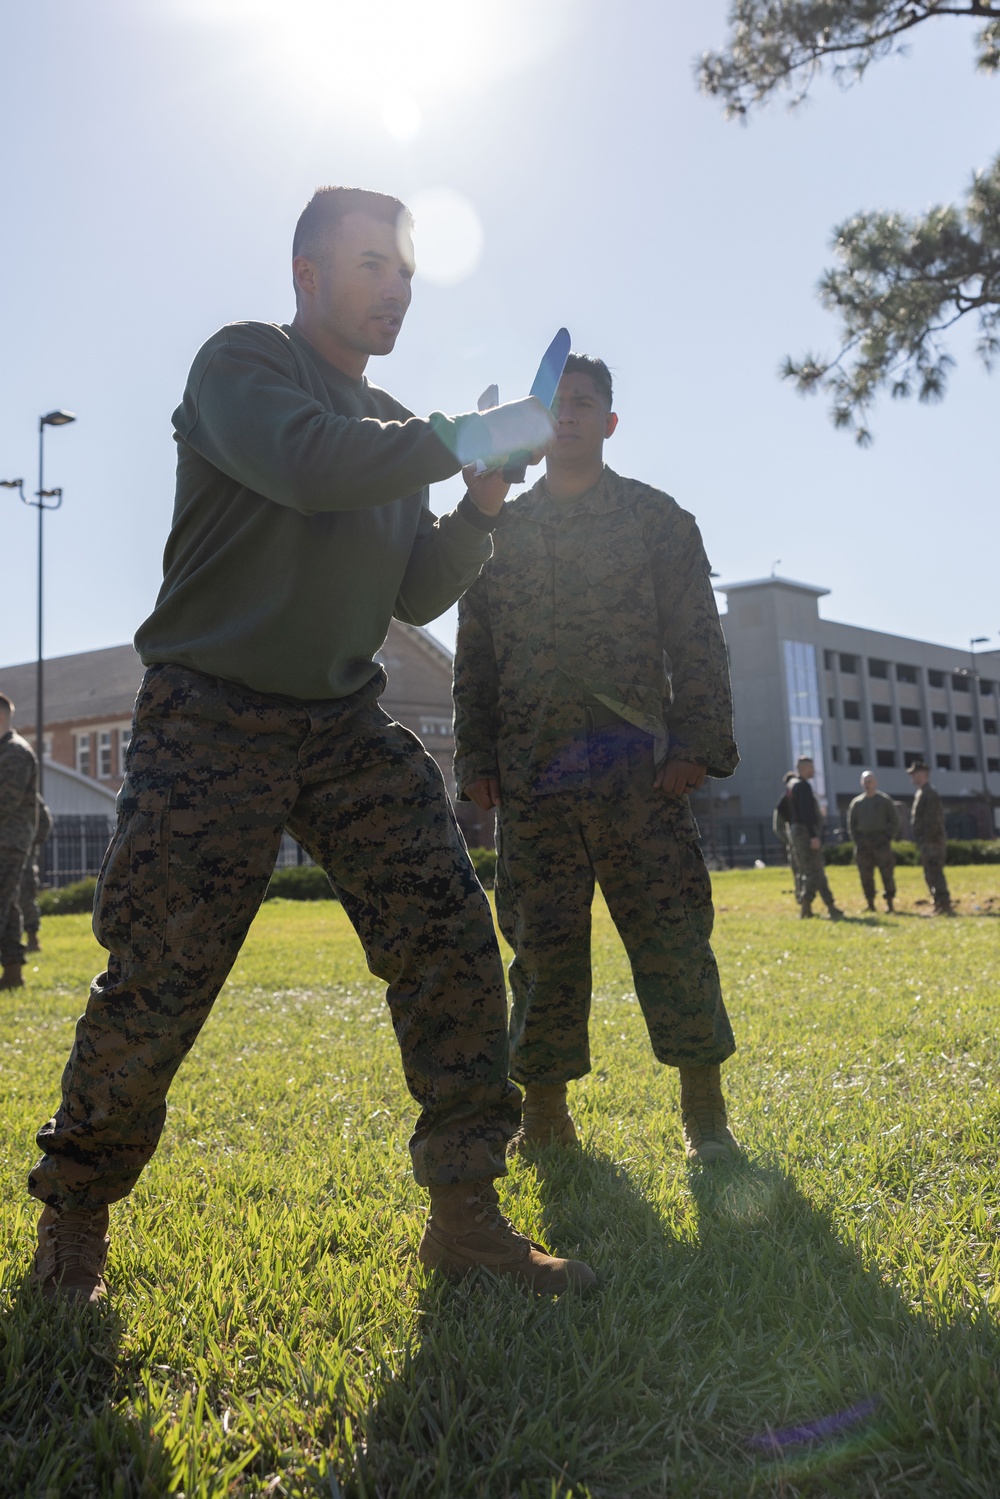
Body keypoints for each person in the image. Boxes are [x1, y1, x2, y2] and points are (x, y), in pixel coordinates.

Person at [28, 185, 595, 1303]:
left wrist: (477, 505)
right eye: (372, 263)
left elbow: (412, 586)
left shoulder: (391, 430)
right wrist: (461, 440)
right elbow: (306, 464)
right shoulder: (241, 366)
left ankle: (465, 1215)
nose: (396, 288)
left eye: (408, 272)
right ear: (306, 275)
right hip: (209, 712)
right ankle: (75, 1227)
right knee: (160, 974)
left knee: (445, 932)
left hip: (340, 720)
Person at [452, 354, 741, 1167]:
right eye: (556, 404)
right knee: (541, 951)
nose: (569, 414)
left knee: (674, 937)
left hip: (637, 773)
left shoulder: (658, 521)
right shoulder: (498, 529)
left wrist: (695, 745)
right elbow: (473, 654)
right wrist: (475, 753)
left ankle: (705, 1115)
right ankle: (544, 1117)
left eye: (585, 403)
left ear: (610, 422)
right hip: (535, 774)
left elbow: (698, 642)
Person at [0, 695, 39, 990]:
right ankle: (13, 973)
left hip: (8, 842)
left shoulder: (14, 753)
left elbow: (5, 802)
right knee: (7, 905)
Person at [786, 756, 844, 920]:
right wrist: (813, 835)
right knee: (813, 871)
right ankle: (806, 904)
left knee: (816, 869)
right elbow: (807, 813)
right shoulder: (803, 786)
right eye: (811, 767)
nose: (813, 771)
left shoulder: (791, 786)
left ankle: (830, 905)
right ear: (803, 768)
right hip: (805, 832)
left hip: (796, 831)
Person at [847, 771, 900, 912]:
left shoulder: (884, 801)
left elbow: (895, 821)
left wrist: (888, 837)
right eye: (865, 781)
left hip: (881, 841)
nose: (867, 784)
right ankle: (870, 903)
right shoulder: (857, 803)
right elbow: (851, 824)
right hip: (863, 843)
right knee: (865, 875)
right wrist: (857, 840)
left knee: (887, 873)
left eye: (870, 781)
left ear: (875, 782)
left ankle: (890, 903)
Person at [906, 758, 953, 915]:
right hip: (927, 841)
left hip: (932, 842)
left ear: (924, 774)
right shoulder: (923, 792)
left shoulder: (929, 793)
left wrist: (927, 839)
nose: (912, 777)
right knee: (930, 874)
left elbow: (933, 821)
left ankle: (944, 904)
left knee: (935, 872)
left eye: (915, 774)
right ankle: (938, 903)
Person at [19, 793, 53, 954]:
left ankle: (32, 938)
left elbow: (44, 821)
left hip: (22, 853)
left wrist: (31, 844)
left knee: (26, 895)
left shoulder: (26, 791)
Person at [773, 770, 800, 903]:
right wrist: (789, 841)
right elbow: (777, 827)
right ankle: (801, 896)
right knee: (797, 871)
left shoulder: (803, 797)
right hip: (794, 841)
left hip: (804, 840)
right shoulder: (783, 802)